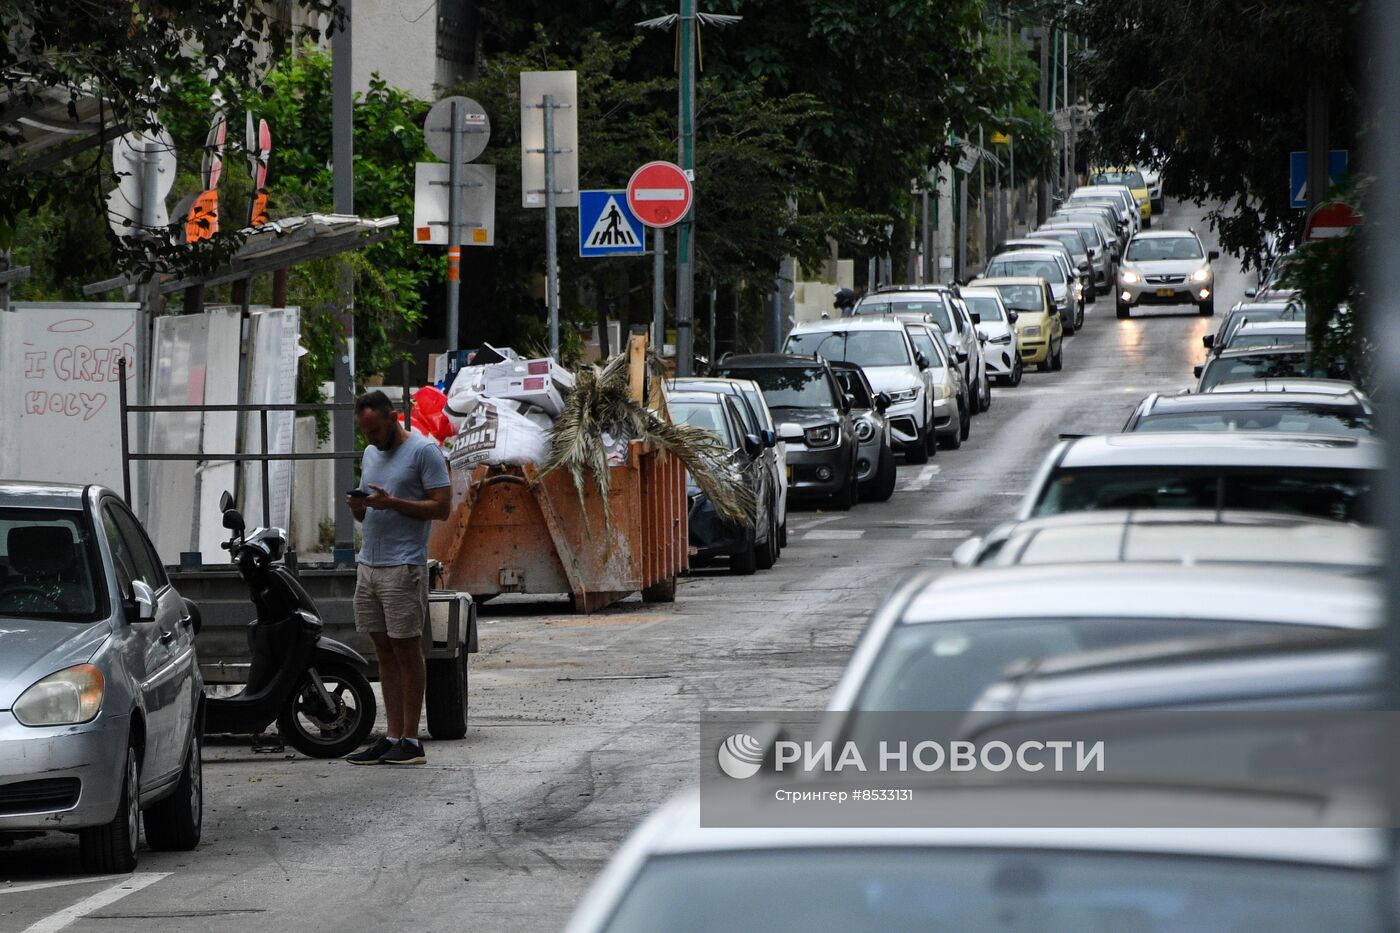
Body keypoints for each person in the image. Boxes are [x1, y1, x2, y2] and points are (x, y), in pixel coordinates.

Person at [344, 391, 451, 766]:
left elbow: (442, 507)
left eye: (375, 430)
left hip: (403, 565)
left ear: (393, 417)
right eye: (365, 432)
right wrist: (359, 508)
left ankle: (411, 738)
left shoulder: (424, 452)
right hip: (369, 564)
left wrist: (394, 503)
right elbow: (366, 516)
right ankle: (391, 736)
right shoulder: (371, 454)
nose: (370, 438)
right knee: (384, 652)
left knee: (407, 651)